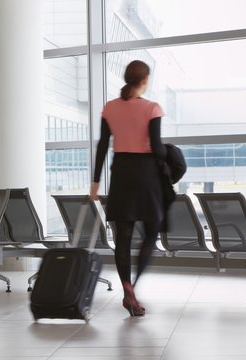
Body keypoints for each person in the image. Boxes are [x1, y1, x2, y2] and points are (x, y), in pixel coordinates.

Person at [90, 60, 166, 317]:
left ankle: (126, 289)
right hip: (146, 176)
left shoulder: (110, 108)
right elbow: (157, 148)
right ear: (145, 80)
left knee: (123, 239)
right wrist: (169, 167)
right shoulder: (152, 108)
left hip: (120, 175)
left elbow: (102, 146)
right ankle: (132, 287)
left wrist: (95, 183)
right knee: (151, 231)